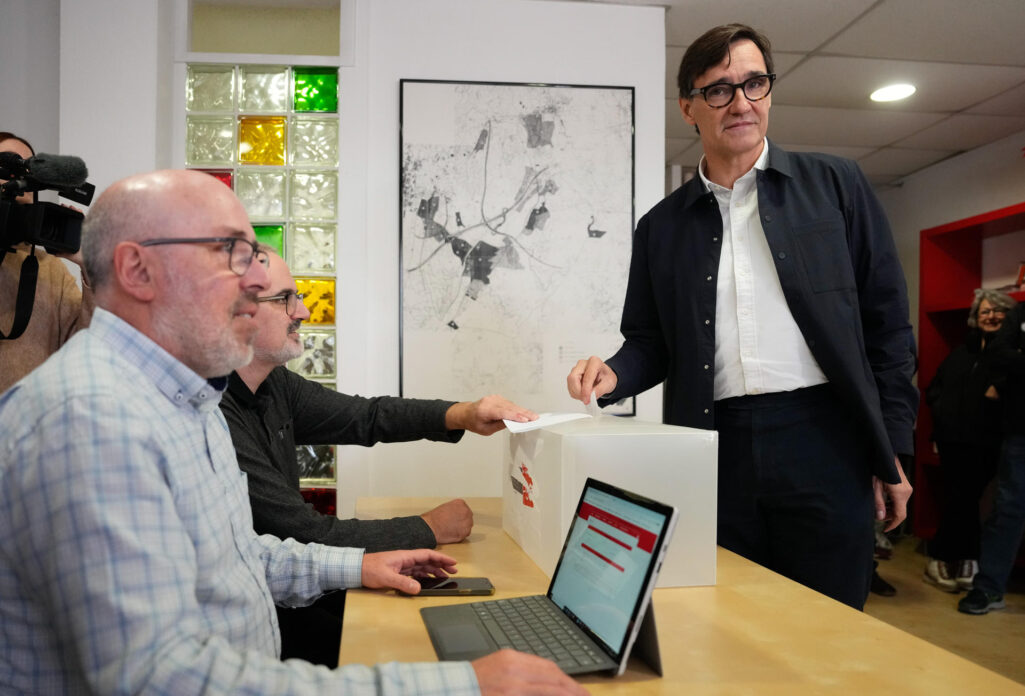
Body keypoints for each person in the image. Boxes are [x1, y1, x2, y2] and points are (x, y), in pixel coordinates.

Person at [0, 169, 585, 696]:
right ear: (137, 269)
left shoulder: (182, 401)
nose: (252, 283)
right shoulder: (92, 422)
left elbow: (233, 554)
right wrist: (458, 686)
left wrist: (357, 566)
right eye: (232, 253)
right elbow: (163, 678)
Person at [566, 23, 917, 610]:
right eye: (719, 90)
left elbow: (888, 331)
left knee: (828, 627)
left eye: (755, 83)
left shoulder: (837, 187)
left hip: (826, 438)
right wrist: (613, 374)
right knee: (729, 621)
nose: (742, 103)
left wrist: (894, 452)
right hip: (714, 445)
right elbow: (650, 341)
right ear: (689, 108)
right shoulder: (661, 227)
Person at [220, 250, 538, 665]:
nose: (303, 311)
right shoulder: (216, 413)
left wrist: (463, 413)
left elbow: (367, 416)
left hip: (292, 587)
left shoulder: (275, 385)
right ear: (238, 313)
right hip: (262, 619)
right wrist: (426, 528)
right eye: (286, 299)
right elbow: (305, 532)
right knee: (405, 647)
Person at [925, 289, 1016, 592]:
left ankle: (942, 555)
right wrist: (941, 415)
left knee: (964, 497)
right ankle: (962, 559)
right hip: (952, 440)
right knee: (960, 498)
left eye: (998, 311)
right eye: (985, 312)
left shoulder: (1012, 354)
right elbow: (935, 388)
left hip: (987, 441)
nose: (991, 317)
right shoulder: (961, 353)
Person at [0, 131, 93, 392]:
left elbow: (86, 346)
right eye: (8, 169)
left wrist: (89, 265)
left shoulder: (49, 269)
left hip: (30, 425)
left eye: (28, 175)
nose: (19, 184)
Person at [959, 300, 1025, 614]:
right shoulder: (1020, 313)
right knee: (1008, 509)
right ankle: (988, 588)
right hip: (1021, 430)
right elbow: (999, 354)